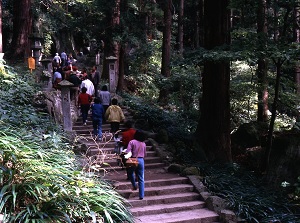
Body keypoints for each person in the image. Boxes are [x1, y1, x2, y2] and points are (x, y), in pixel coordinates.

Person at [124, 130, 147, 200]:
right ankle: (141, 196)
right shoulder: (143, 144)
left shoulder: (132, 142)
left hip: (133, 160)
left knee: (130, 173)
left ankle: (134, 185)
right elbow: (145, 154)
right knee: (141, 178)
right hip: (141, 160)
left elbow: (128, 151)